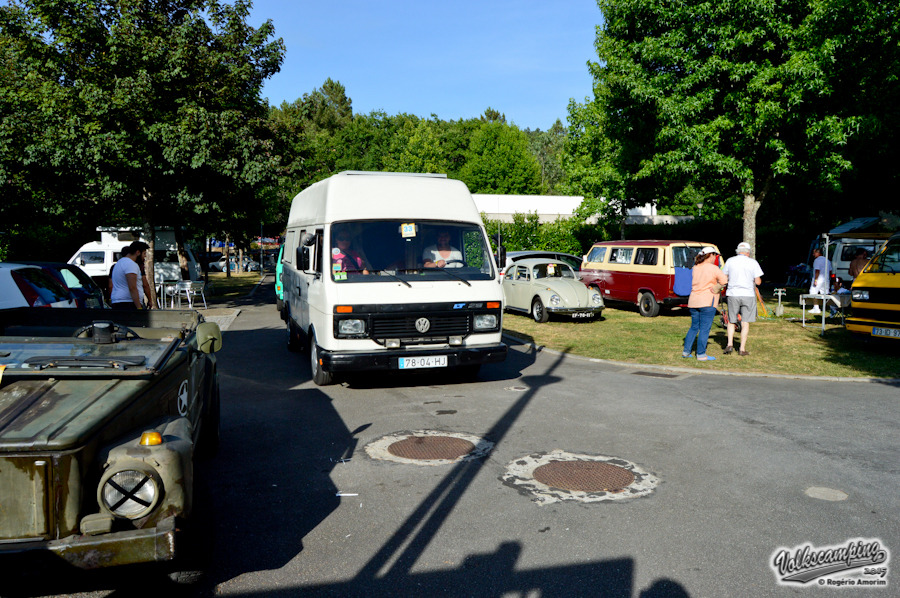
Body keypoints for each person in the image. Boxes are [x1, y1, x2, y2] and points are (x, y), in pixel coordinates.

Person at [682, 247, 728, 361]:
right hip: (707, 301)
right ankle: (701, 354)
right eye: (715, 256)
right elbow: (724, 281)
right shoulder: (714, 268)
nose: (715, 258)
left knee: (694, 327)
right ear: (711, 255)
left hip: (693, 301)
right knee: (704, 329)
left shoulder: (695, 267)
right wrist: (716, 288)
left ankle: (686, 351)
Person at [722, 242, 763, 356]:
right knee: (745, 322)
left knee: (731, 320)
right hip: (748, 294)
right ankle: (742, 348)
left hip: (733, 293)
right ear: (748, 252)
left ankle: (729, 344)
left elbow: (724, 277)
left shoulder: (730, 261)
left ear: (738, 251)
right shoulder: (753, 262)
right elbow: (758, 281)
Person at [110, 241, 149, 310]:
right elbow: (132, 287)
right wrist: (139, 307)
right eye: (144, 253)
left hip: (118, 301)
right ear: (138, 252)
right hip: (128, 303)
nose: (145, 256)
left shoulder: (119, 263)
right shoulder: (131, 264)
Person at [808, 247, 832, 314]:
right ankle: (832, 308)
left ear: (818, 253)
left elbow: (817, 270)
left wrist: (816, 280)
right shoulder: (827, 260)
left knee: (813, 292)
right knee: (826, 294)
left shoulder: (817, 260)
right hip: (826, 279)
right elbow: (830, 271)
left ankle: (816, 308)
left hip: (819, 279)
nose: (813, 254)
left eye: (814, 253)